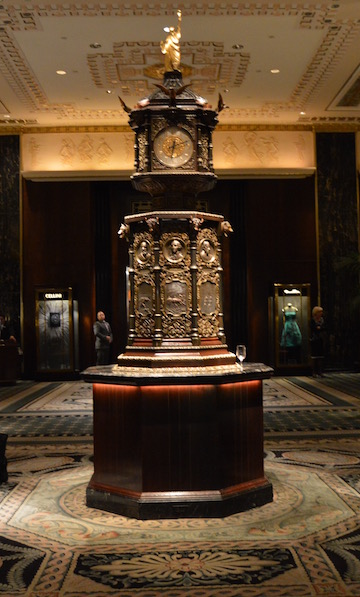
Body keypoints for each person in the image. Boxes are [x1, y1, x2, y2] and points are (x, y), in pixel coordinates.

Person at [310, 306, 326, 377]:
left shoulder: (322, 320)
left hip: (321, 339)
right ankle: (314, 372)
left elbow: (324, 328)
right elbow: (313, 328)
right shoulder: (313, 320)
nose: (321, 313)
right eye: (320, 312)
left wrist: (319, 328)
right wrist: (318, 328)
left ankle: (320, 371)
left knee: (320, 356)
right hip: (314, 339)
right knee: (314, 356)